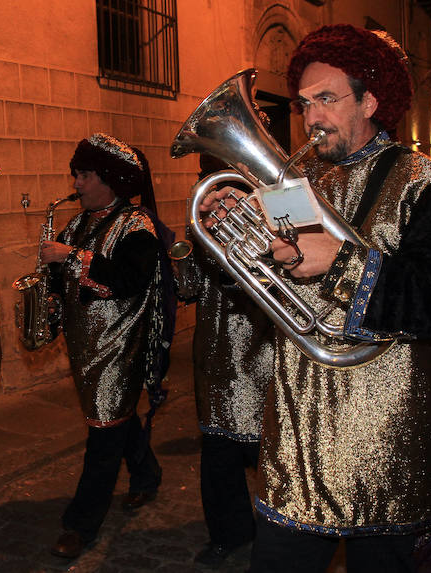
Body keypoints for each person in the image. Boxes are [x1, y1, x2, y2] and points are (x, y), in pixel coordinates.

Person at [199, 25, 431, 572]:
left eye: (327, 99)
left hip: (388, 444)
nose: (311, 117)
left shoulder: (425, 184)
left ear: (370, 101)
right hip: (299, 434)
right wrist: (235, 238)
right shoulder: (294, 181)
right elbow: (273, 290)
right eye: (304, 103)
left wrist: (344, 263)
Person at [40, 133, 172, 560]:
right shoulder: (78, 223)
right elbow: (65, 281)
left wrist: (72, 258)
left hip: (119, 347)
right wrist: (49, 294)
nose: (76, 183)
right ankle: (146, 475)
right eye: (75, 174)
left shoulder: (138, 225)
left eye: (84, 175)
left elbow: (128, 281)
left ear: (110, 180)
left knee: (102, 433)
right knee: (114, 418)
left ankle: (80, 524)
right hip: (85, 348)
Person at [178, 156, 275, 569]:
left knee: (268, 454)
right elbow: (189, 290)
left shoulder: (270, 211)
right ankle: (228, 532)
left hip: (259, 354)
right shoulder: (203, 224)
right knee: (218, 455)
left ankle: (282, 536)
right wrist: (187, 253)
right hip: (215, 358)